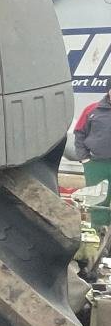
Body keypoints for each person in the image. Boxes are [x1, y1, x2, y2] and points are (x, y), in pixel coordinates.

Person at [74, 89, 111, 228]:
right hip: (96, 165)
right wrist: (84, 158)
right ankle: (100, 232)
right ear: (109, 91)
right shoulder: (92, 109)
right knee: (99, 201)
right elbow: (79, 133)